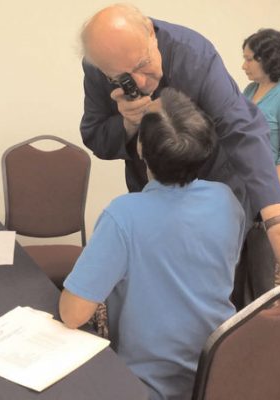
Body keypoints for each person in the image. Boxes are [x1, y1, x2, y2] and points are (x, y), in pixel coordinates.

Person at [78, 4, 280, 308]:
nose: (141, 83)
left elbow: (243, 130)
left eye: (144, 64)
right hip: (152, 194)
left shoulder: (192, 55)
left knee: (223, 289)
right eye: (123, 77)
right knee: (163, 289)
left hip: (216, 186)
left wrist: (278, 223)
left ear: (150, 32)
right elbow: (96, 137)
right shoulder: (97, 68)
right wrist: (127, 125)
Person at [60, 88, 246, 400]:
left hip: (146, 386)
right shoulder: (227, 200)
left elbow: (73, 314)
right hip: (216, 372)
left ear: (142, 147)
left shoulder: (124, 216)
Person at [237, 28, 280, 302]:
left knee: (261, 266)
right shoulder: (250, 89)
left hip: (267, 192)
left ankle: (262, 323)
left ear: (269, 59)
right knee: (239, 262)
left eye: (249, 59)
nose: (244, 65)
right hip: (243, 187)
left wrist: (266, 196)